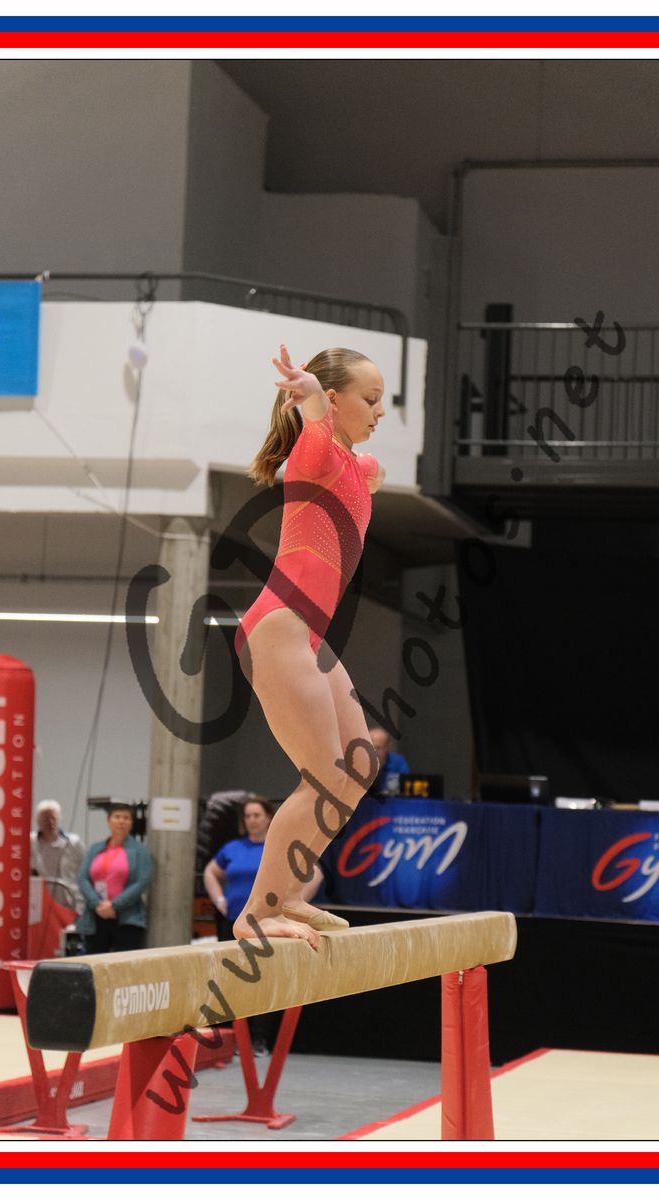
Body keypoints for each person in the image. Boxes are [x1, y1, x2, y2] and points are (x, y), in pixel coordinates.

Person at [232, 344, 387, 949]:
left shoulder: (352, 465)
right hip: (281, 625)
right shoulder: (313, 452)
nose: (379, 412)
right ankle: (257, 913)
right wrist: (312, 397)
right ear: (337, 399)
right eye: (370, 400)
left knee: (357, 765)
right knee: (322, 774)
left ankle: (289, 891)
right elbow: (318, 422)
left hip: (309, 634)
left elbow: (362, 471)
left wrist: (362, 467)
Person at [202, 796, 322, 1054]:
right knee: (232, 981)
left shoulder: (278, 846)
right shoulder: (233, 848)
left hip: (267, 924)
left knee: (263, 980)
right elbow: (210, 872)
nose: (252, 820)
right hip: (234, 922)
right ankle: (233, 1037)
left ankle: (258, 1039)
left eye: (257, 815)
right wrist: (219, 899)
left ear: (268, 818)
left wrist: (293, 902)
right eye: (248, 816)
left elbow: (316, 874)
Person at [76, 803, 152, 954]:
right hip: (96, 915)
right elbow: (83, 878)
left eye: (126, 818)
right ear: (108, 820)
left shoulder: (140, 850)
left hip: (127, 918)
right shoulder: (95, 848)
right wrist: (97, 903)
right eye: (117, 817)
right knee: (94, 961)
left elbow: (142, 881)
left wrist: (114, 905)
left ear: (132, 823)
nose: (121, 821)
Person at [29, 799, 85, 912]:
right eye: (45, 819)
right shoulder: (30, 842)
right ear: (38, 821)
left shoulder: (74, 842)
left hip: (70, 903)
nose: (50, 822)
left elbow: (87, 870)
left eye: (53, 818)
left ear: (59, 818)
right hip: (40, 905)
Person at [367, 723, 411, 796]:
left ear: (387, 747)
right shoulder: (358, 763)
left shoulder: (397, 762)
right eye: (370, 747)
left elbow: (406, 789)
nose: (374, 752)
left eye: (378, 748)